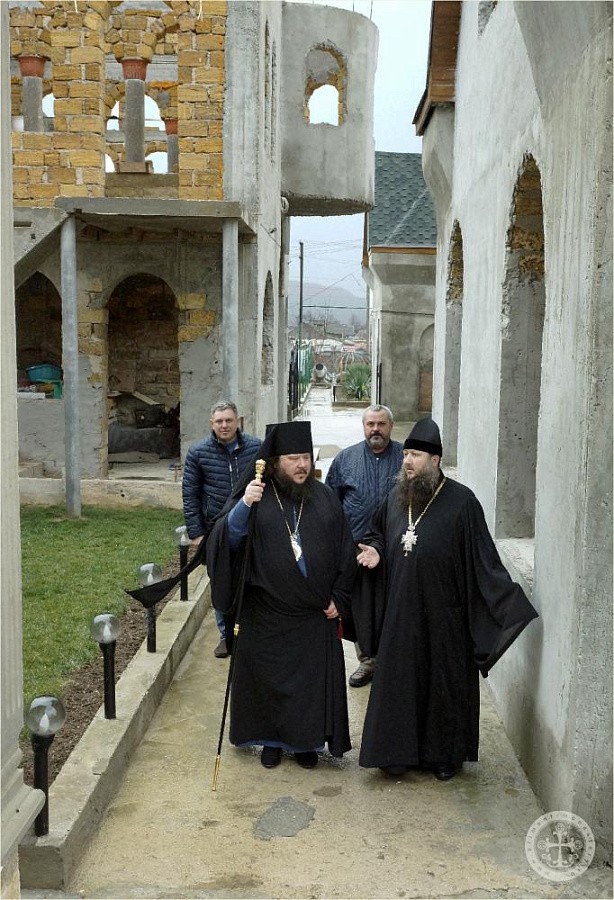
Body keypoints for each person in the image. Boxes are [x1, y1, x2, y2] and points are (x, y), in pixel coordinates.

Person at [356, 417, 538, 781]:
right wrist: (375, 551)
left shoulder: (462, 502)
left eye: (415, 455)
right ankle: (396, 754)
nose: (406, 461)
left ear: (435, 460)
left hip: (445, 617)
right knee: (400, 683)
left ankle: (443, 756)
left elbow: (484, 560)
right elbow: (375, 532)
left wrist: (507, 602)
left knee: (442, 684)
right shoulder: (396, 498)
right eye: (405, 454)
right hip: (400, 614)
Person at [206, 421, 357, 770]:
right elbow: (226, 540)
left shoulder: (325, 497)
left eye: (306, 457)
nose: (302, 465)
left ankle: (306, 744)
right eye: (293, 459)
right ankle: (271, 742)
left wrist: (339, 596)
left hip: (311, 616)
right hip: (266, 614)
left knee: (308, 687)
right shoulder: (257, 495)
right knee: (267, 683)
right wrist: (244, 504)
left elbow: (345, 551)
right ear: (275, 463)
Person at [325, 404, 404, 687]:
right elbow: (330, 503)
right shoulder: (345, 459)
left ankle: (394, 661)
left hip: (397, 548)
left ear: (390, 426)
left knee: (396, 605)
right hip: (357, 551)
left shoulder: (406, 458)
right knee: (361, 610)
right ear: (363, 427)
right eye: (370, 424)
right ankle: (367, 660)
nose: (375, 430)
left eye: (381, 424)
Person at [182, 400, 261, 658]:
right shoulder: (198, 453)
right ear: (211, 424)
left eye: (228, 420)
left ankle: (250, 633)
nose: (224, 425)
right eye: (219, 421)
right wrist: (196, 532)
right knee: (221, 582)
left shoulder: (256, 448)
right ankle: (226, 636)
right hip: (217, 531)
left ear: (238, 421)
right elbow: (190, 494)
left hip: (251, 527)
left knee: (252, 580)